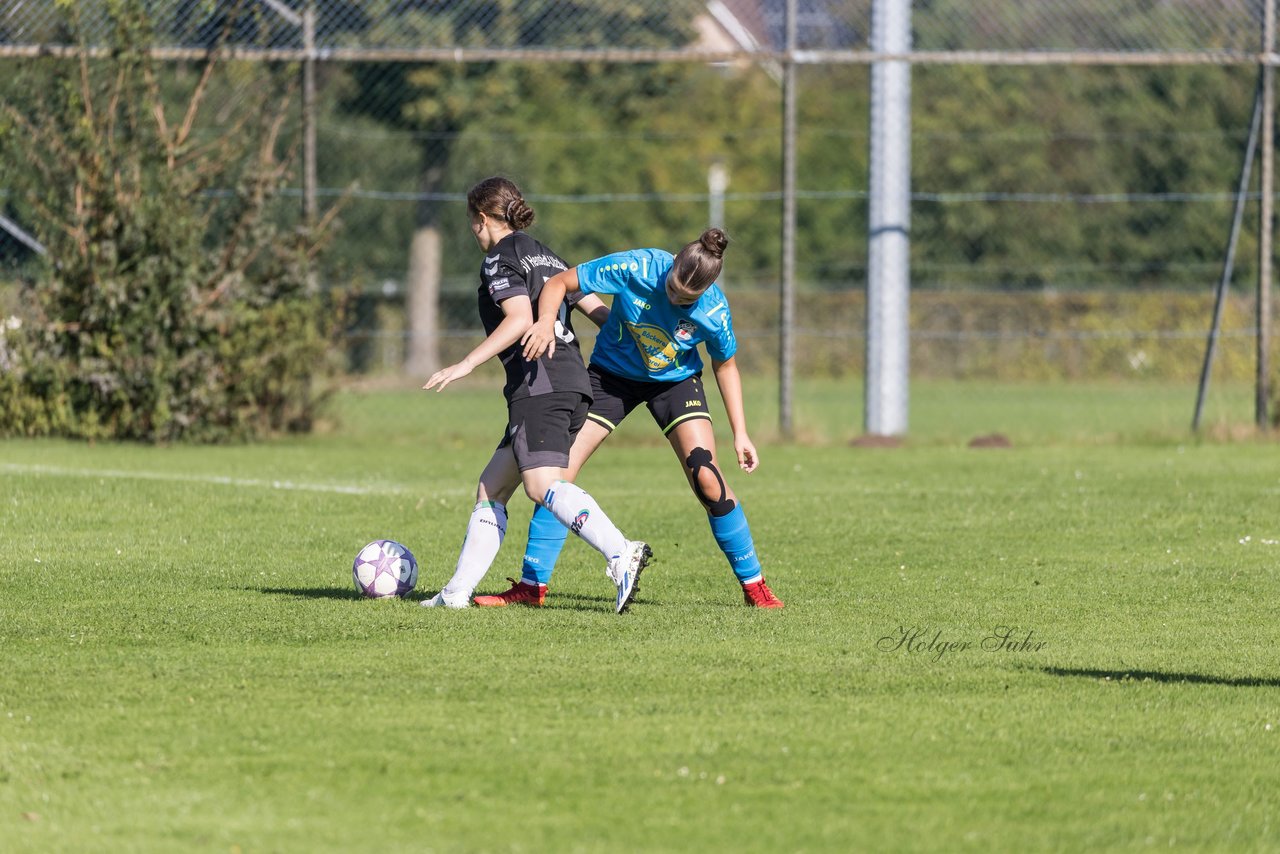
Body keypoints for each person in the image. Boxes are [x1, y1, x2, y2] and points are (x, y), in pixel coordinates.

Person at [475, 227, 783, 609]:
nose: (673, 299)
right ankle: (531, 587)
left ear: (704, 293)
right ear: (670, 267)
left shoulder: (715, 312)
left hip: (675, 383)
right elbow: (560, 282)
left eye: (685, 300)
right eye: (671, 288)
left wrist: (741, 432)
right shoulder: (638, 265)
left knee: (708, 479)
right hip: (610, 376)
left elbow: (726, 366)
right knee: (558, 478)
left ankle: (756, 588)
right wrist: (545, 322)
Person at [420, 177, 650, 613]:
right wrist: (635, 337)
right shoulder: (545, 252)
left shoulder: (497, 259)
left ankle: (622, 553)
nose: (472, 230)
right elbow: (594, 306)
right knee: (491, 488)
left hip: (540, 385)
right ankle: (454, 595)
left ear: (483, 218)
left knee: (542, 485)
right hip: (571, 381)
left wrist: (465, 364)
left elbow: (520, 319)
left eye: (472, 221)